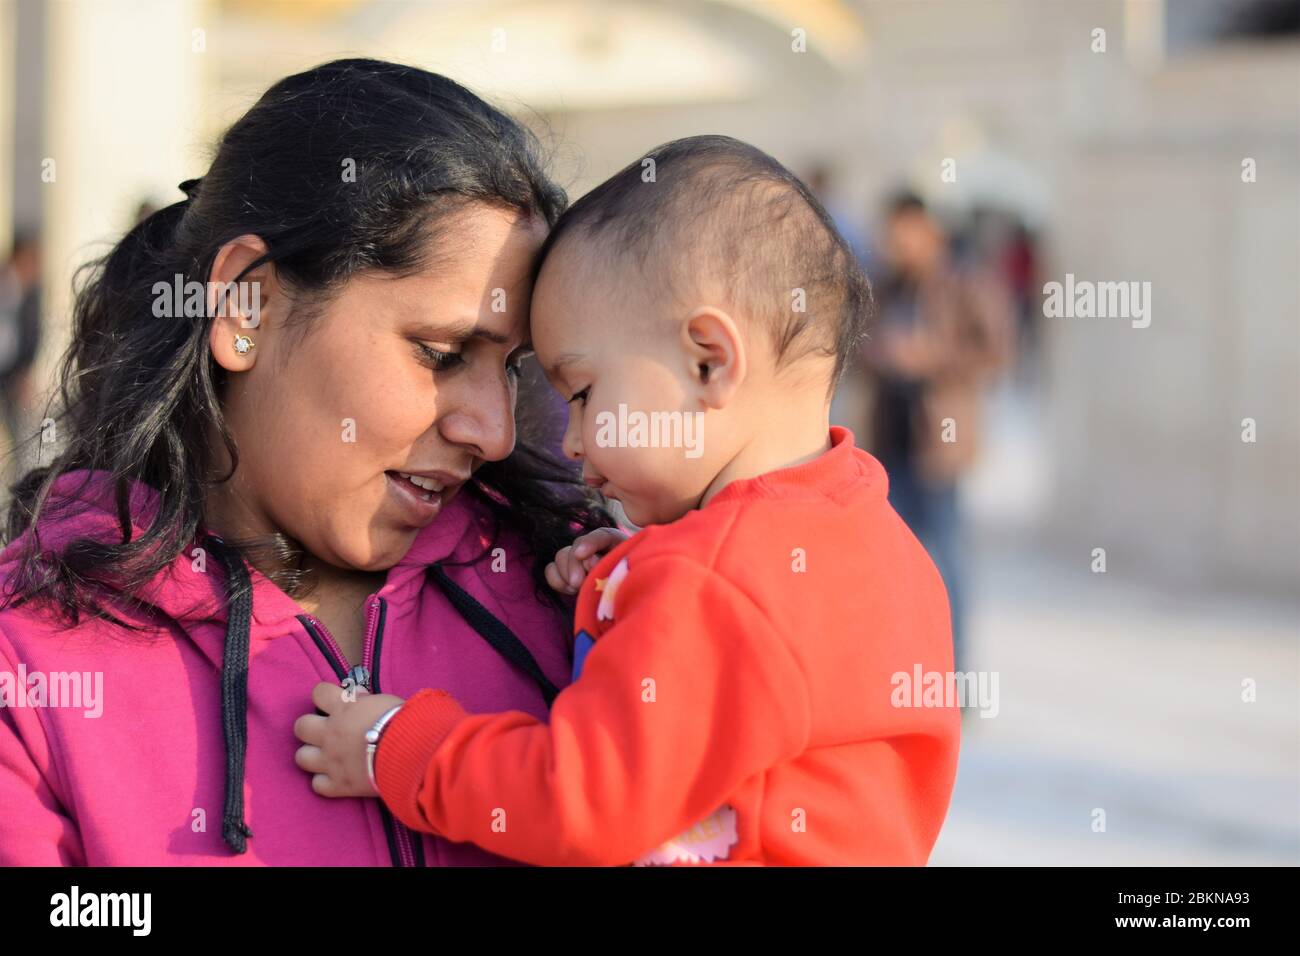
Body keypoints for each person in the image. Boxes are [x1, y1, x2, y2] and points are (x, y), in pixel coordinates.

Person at [0, 58, 613, 866]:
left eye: (513, 368)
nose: (494, 433)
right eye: (441, 353)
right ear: (245, 303)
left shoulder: (585, 591)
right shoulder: (33, 672)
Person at [295, 136, 960, 866]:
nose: (571, 441)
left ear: (709, 361)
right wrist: (651, 573)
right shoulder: (873, 538)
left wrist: (401, 747)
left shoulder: (714, 583)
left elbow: (580, 799)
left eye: (581, 393)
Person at [863, 191, 1014, 673]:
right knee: (895, 565)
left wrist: (931, 357)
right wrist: (885, 354)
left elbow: (997, 352)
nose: (896, 242)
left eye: (904, 230)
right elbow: (860, 345)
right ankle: (905, 672)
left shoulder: (964, 282)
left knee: (947, 564)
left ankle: (957, 676)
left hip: (940, 445)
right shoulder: (887, 284)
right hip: (892, 439)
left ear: (928, 229)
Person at [0, 229, 42, 475]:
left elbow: (33, 334)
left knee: (18, 428)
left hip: (13, 371)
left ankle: (21, 477)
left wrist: (26, 371)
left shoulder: (31, 292)